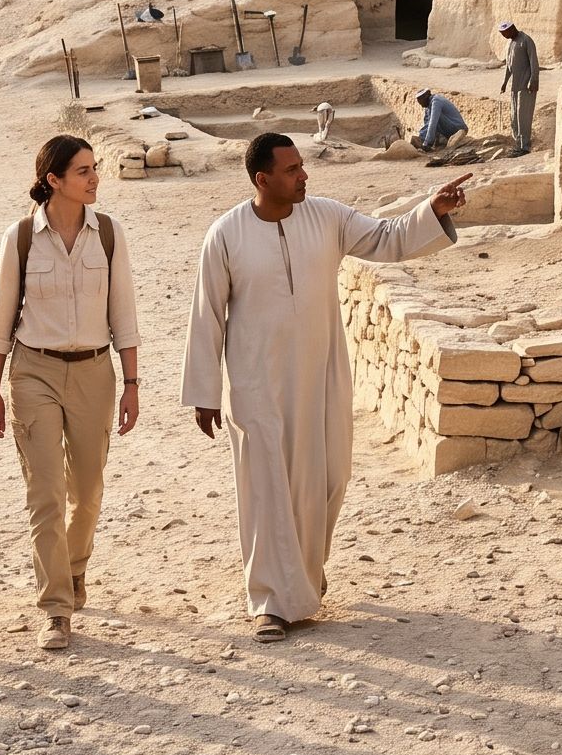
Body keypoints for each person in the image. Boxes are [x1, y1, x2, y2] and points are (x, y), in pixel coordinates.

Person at [183, 134, 469, 641]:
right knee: (267, 485)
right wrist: (205, 392)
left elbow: (388, 237)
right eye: (292, 169)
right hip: (255, 381)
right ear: (262, 179)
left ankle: (306, 576)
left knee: (328, 477)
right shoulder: (225, 234)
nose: (303, 176)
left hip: (321, 373)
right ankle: (270, 601)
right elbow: (207, 314)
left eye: (303, 166)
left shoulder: (328, 217)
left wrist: (433, 208)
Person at [0, 136, 141, 650]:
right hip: (34, 372)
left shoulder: (111, 235)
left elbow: (124, 315)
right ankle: (55, 606)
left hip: (96, 372)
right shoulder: (21, 238)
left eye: (94, 168)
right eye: (82, 171)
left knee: (89, 490)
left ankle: (74, 568)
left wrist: (132, 384)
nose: (95, 178)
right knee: (46, 493)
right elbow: (0, 322)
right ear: (53, 180)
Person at [497, 22, 541, 156]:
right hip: (514, 87)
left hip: (526, 87)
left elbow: (534, 62)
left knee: (523, 117)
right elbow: (508, 66)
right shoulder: (510, 43)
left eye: (505, 33)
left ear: (512, 29)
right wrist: (504, 82)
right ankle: (517, 145)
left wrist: (534, 81)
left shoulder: (526, 40)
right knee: (514, 117)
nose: (504, 36)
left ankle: (525, 147)